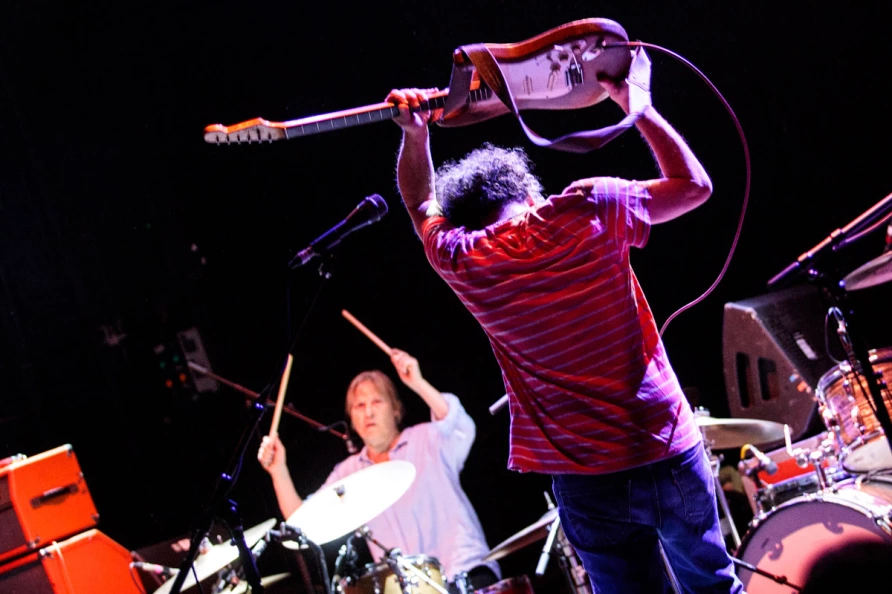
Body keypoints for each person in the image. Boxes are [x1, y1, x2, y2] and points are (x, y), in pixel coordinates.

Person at [384, 46, 746, 594]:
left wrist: (416, 134)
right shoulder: (588, 208)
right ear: (528, 191)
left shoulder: (464, 260)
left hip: (585, 480)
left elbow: (418, 203)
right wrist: (638, 106)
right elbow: (695, 186)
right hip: (666, 446)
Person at [257, 348, 501, 593]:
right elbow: (305, 524)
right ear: (351, 419)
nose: (369, 412)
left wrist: (417, 382)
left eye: (377, 401)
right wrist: (278, 471)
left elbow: (460, 425)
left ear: (396, 409)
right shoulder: (349, 472)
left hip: (465, 573)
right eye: (359, 406)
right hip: (408, 588)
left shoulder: (427, 439)